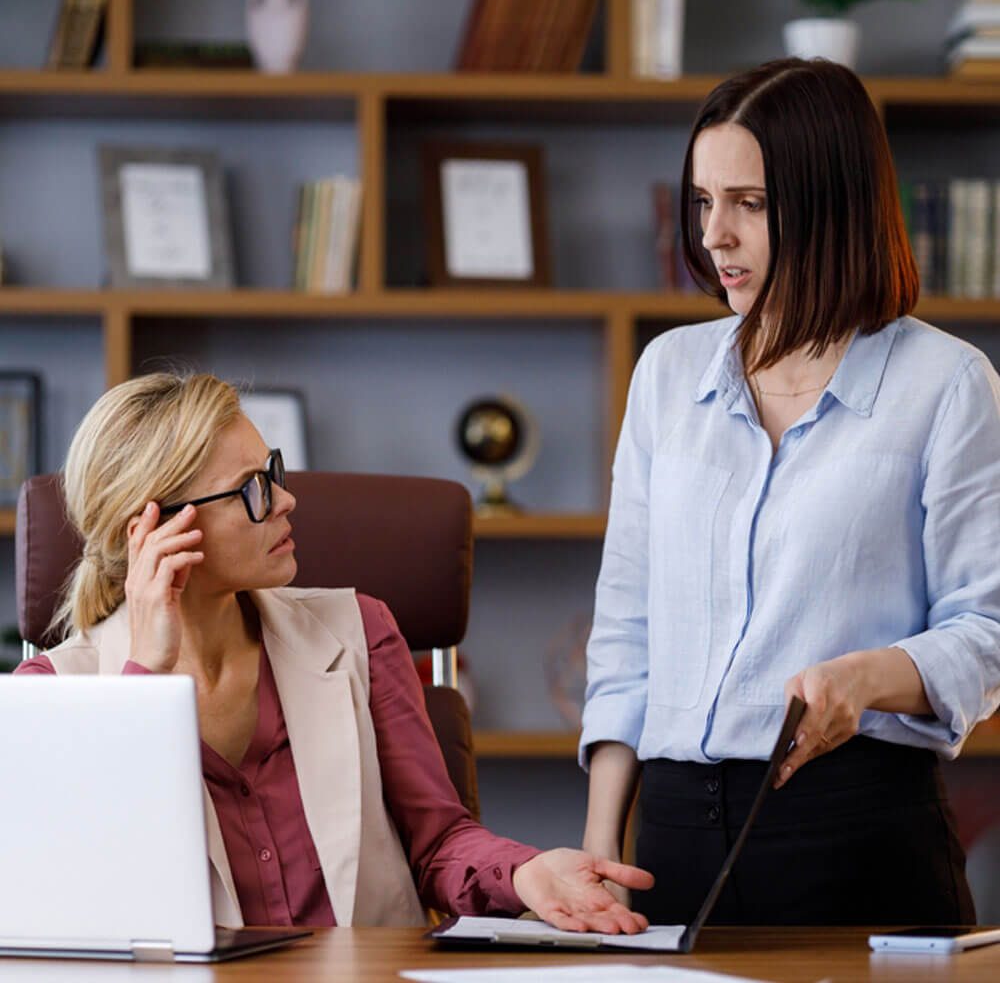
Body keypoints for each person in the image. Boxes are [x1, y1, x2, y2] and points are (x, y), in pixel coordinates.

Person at [580, 57, 1000, 927]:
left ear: (831, 204)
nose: (714, 236)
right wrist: (600, 843)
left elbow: (990, 628)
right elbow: (628, 630)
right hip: (670, 843)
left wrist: (872, 676)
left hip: (854, 834)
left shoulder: (948, 385)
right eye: (703, 201)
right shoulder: (667, 374)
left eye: (751, 204)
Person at [17, 371, 653, 932]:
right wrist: (144, 678)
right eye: (253, 489)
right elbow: (85, 902)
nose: (287, 500)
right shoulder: (52, 695)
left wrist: (525, 876)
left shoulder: (359, 631)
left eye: (275, 472)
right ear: (155, 530)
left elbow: (437, 845)